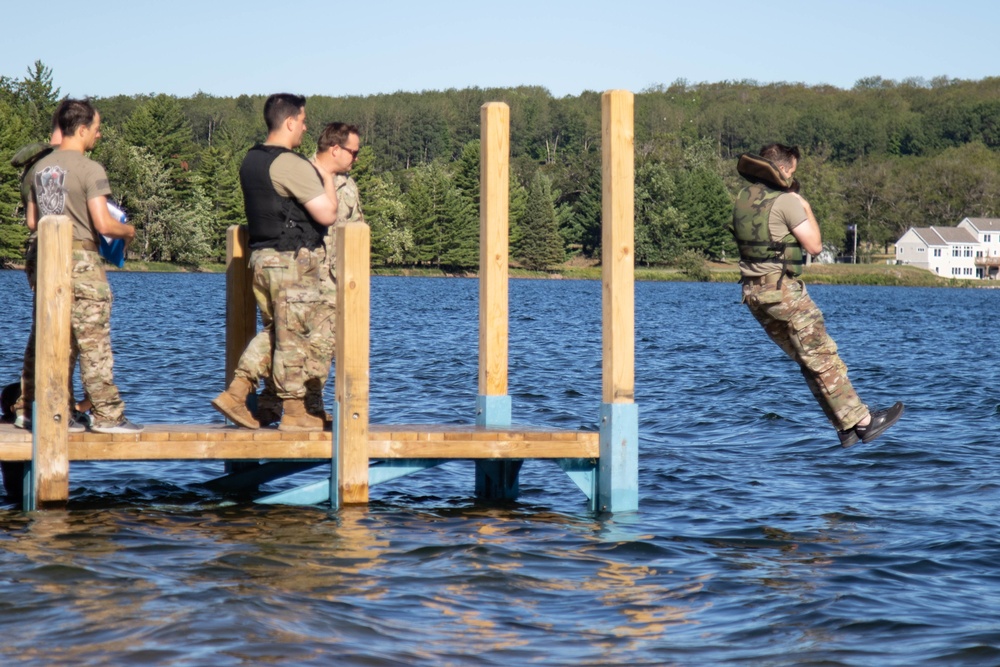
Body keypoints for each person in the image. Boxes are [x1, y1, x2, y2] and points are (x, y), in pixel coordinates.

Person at [732, 143, 903, 447]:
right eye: (792, 171)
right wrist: (804, 205)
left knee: (807, 360)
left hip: (755, 296)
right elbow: (814, 246)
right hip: (784, 293)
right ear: (782, 168)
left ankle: (844, 427)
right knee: (822, 356)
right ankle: (864, 422)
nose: (792, 176)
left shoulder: (744, 198)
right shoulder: (787, 201)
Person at [211, 93, 338, 432]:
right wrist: (325, 177)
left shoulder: (250, 160)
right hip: (290, 261)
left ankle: (237, 393)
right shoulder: (291, 164)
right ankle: (294, 413)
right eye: (303, 120)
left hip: (262, 258)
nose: (306, 127)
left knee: (277, 333)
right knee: (292, 336)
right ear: (290, 122)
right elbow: (327, 213)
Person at [17, 98, 142, 434]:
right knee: (92, 338)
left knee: (46, 333)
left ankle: (32, 407)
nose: (98, 136)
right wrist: (128, 230)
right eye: (97, 130)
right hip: (80, 261)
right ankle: (107, 415)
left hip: (42, 257)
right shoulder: (90, 169)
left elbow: (32, 221)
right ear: (82, 129)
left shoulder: (36, 168)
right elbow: (103, 224)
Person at [254, 122, 365, 427]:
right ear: (335, 148)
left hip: (332, 278)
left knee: (321, 346)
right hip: (299, 272)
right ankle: (269, 403)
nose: (356, 158)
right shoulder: (300, 174)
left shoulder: (348, 186)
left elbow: (356, 227)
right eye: (353, 152)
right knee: (285, 339)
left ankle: (311, 406)